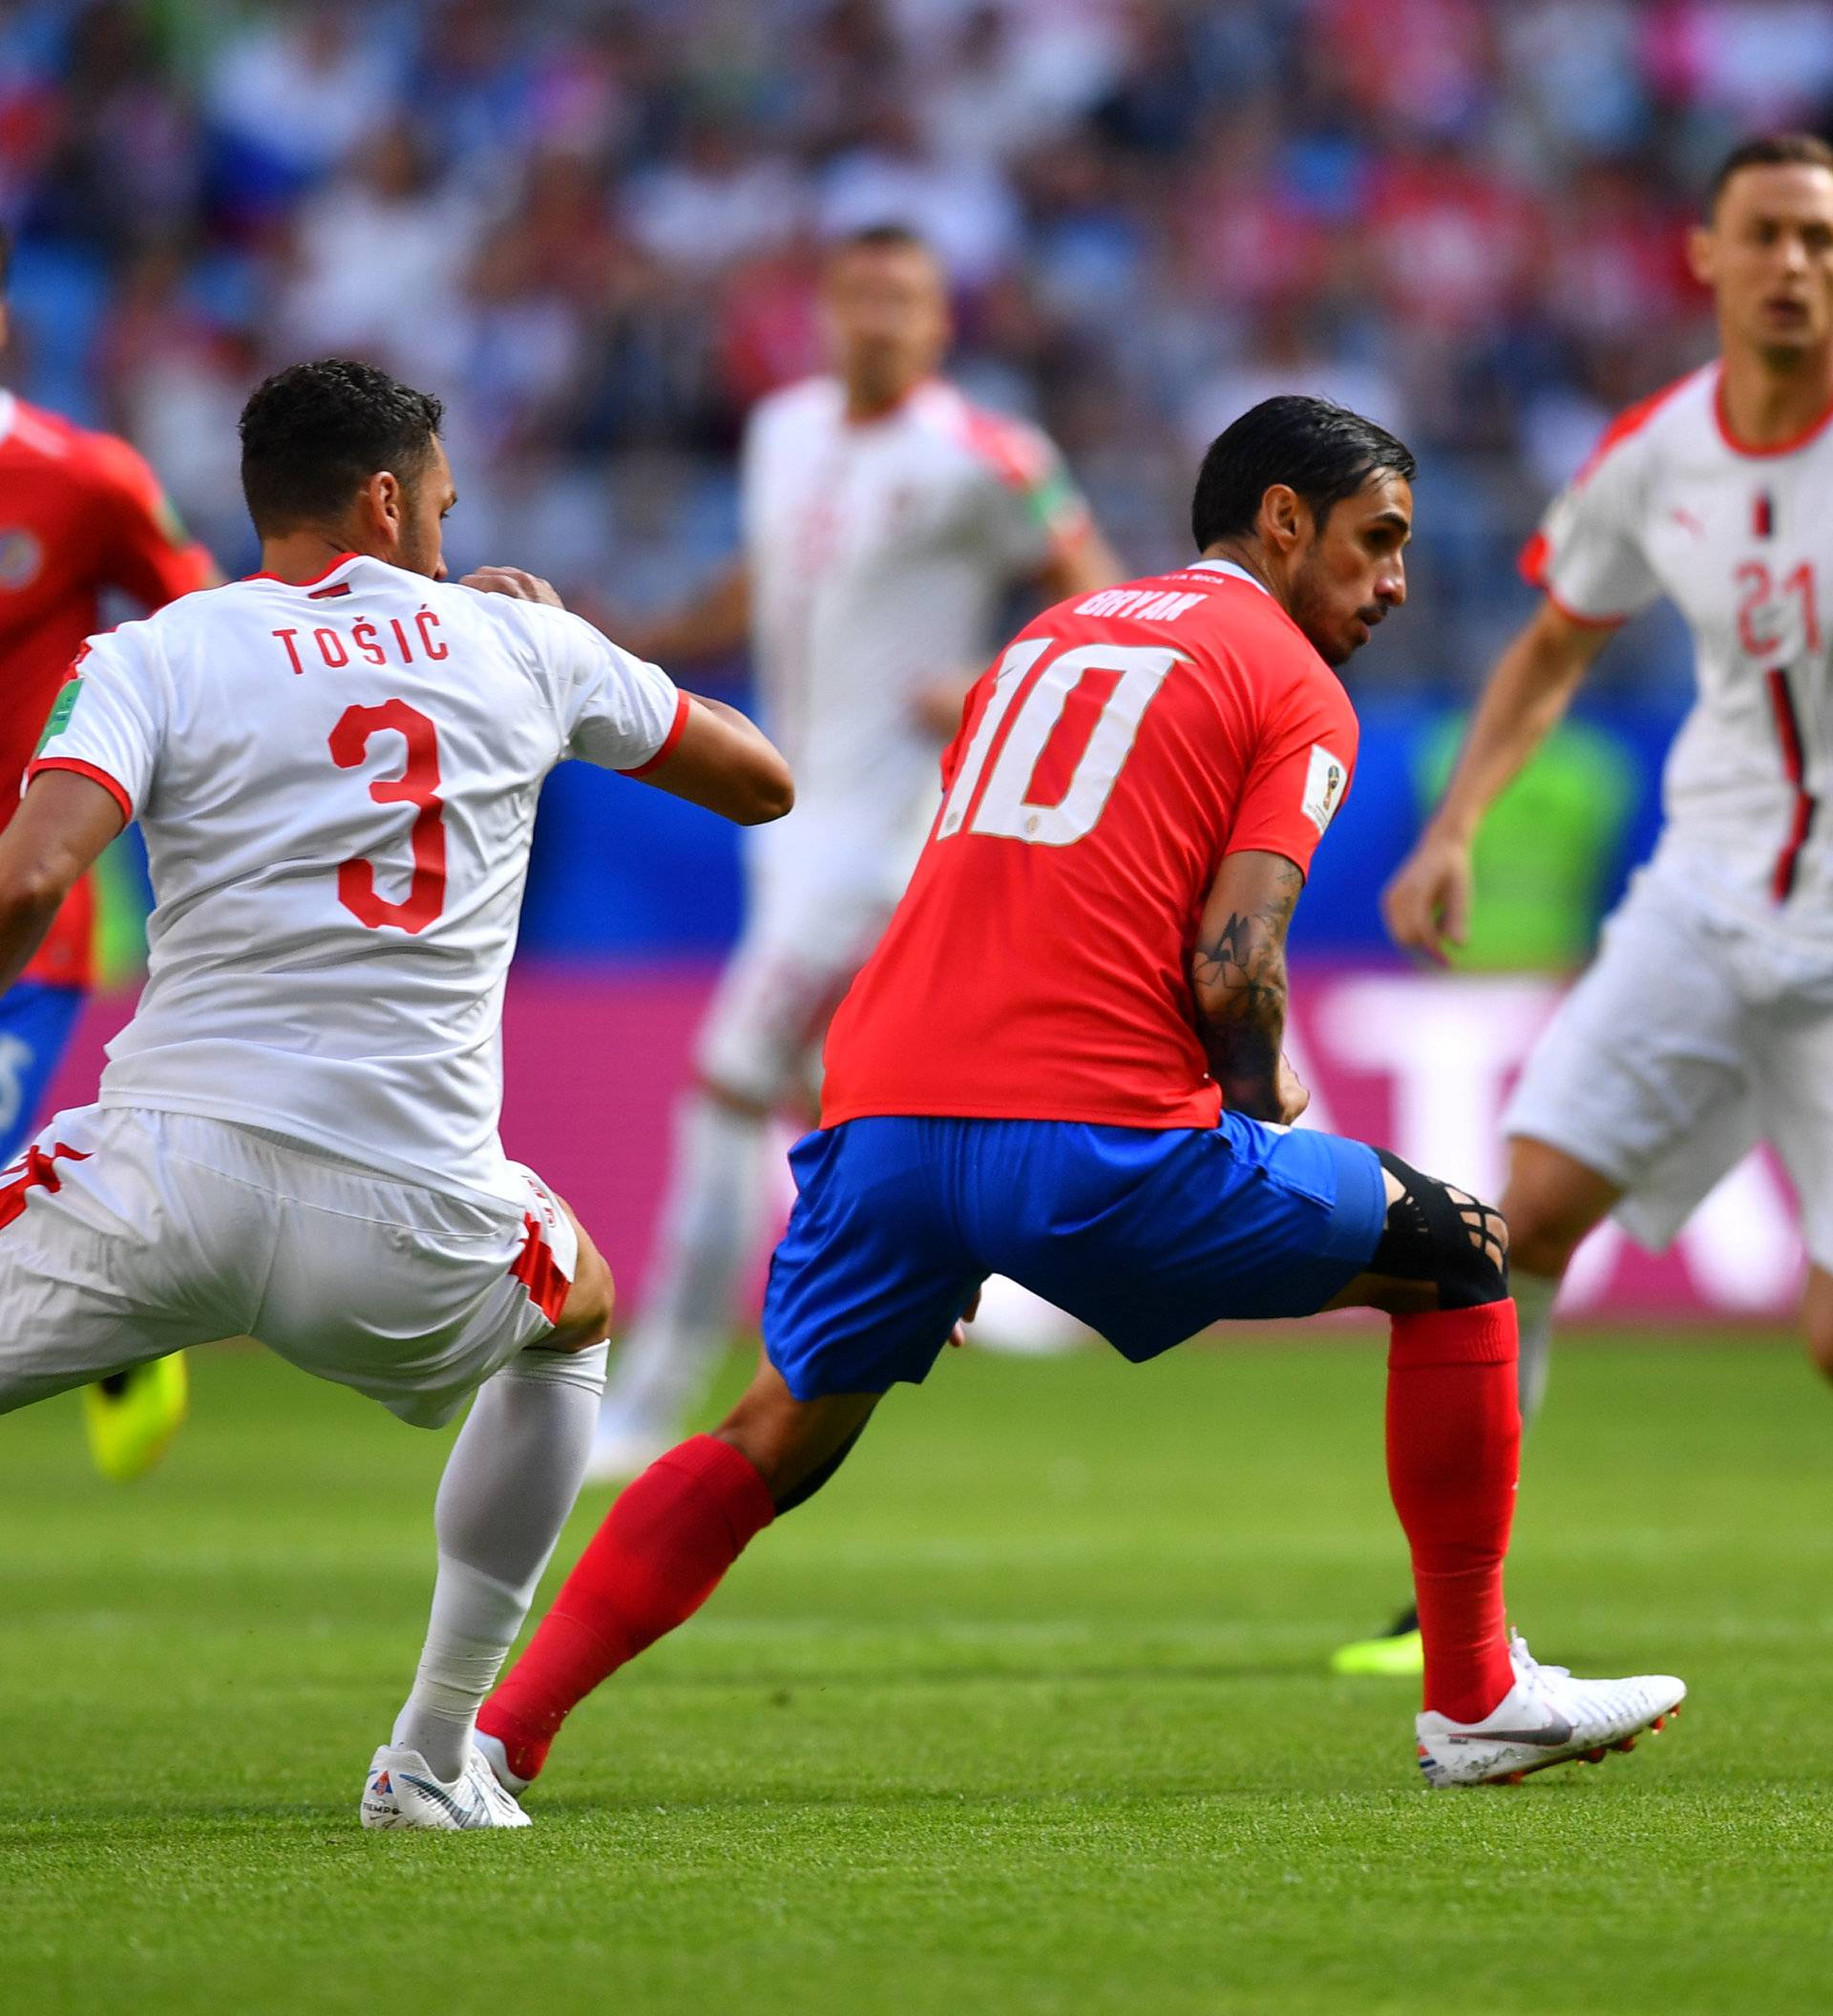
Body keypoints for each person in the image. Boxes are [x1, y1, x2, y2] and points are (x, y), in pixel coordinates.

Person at [474, 397, 1685, 1798]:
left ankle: (492, 1737)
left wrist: (960, 1178)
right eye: (1378, 540)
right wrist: (1251, 1102)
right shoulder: (1295, 687)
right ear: (1284, 522)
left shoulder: (1049, 639)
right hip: (1095, 1137)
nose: (1398, 582)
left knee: (769, 1434)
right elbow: (1238, 965)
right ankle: (1475, 1693)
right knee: (1467, 1250)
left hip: (886, 1119)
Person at [0, 357, 792, 1830]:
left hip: (158, 1172)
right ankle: (431, 1757)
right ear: (385, 494)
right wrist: (568, 645)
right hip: (414, 1208)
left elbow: (34, 874)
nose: (447, 520)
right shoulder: (514, 643)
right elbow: (761, 781)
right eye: (439, 496)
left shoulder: (155, 653)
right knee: (577, 1314)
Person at [1337, 130, 1833, 1679]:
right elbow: (1555, 646)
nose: (1796, 266)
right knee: (1509, 1224)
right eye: (1767, 235)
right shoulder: (1658, 451)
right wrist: (1454, 827)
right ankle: (1457, 1612)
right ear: (1705, 256)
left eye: (1821, 239)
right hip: (1698, 898)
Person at [587, 222, 1125, 1478]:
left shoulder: (990, 455)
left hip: (892, 837)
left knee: (729, 1080)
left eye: (906, 298)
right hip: (790, 823)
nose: (879, 316)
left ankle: (649, 1399)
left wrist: (996, 682)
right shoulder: (783, 432)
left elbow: (1104, 607)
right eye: (859, 294)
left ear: (943, 324)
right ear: (826, 311)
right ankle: (1019, 1289)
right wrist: (636, 650)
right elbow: (769, 584)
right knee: (858, 1096)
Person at [0, 224, 220, 1482]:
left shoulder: (84, 482)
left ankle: (120, 1303)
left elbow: (205, 630)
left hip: (28, 903)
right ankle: (118, 1267)